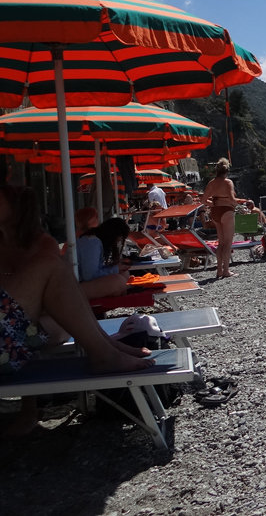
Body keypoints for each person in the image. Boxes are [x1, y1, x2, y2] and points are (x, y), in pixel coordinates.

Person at [0, 185, 152, 436]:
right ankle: (106, 350)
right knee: (61, 274)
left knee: (51, 308)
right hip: (29, 324)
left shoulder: (43, 243)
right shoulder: (72, 245)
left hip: (26, 326)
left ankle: (107, 348)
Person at [201, 158, 243, 279]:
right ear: (227, 171)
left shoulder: (212, 183)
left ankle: (219, 270)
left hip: (216, 212)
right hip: (226, 212)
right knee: (227, 244)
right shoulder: (228, 182)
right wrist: (237, 204)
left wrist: (213, 204)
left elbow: (203, 200)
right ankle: (226, 271)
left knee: (221, 243)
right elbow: (231, 199)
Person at [77, 217, 132, 299]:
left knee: (124, 274)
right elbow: (89, 275)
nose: (116, 244)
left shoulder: (94, 240)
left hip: (80, 282)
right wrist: (115, 269)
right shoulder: (93, 243)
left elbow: (94, 268)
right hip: (75, 287)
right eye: (117, 241)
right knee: (119, 282)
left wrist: (114, 266)